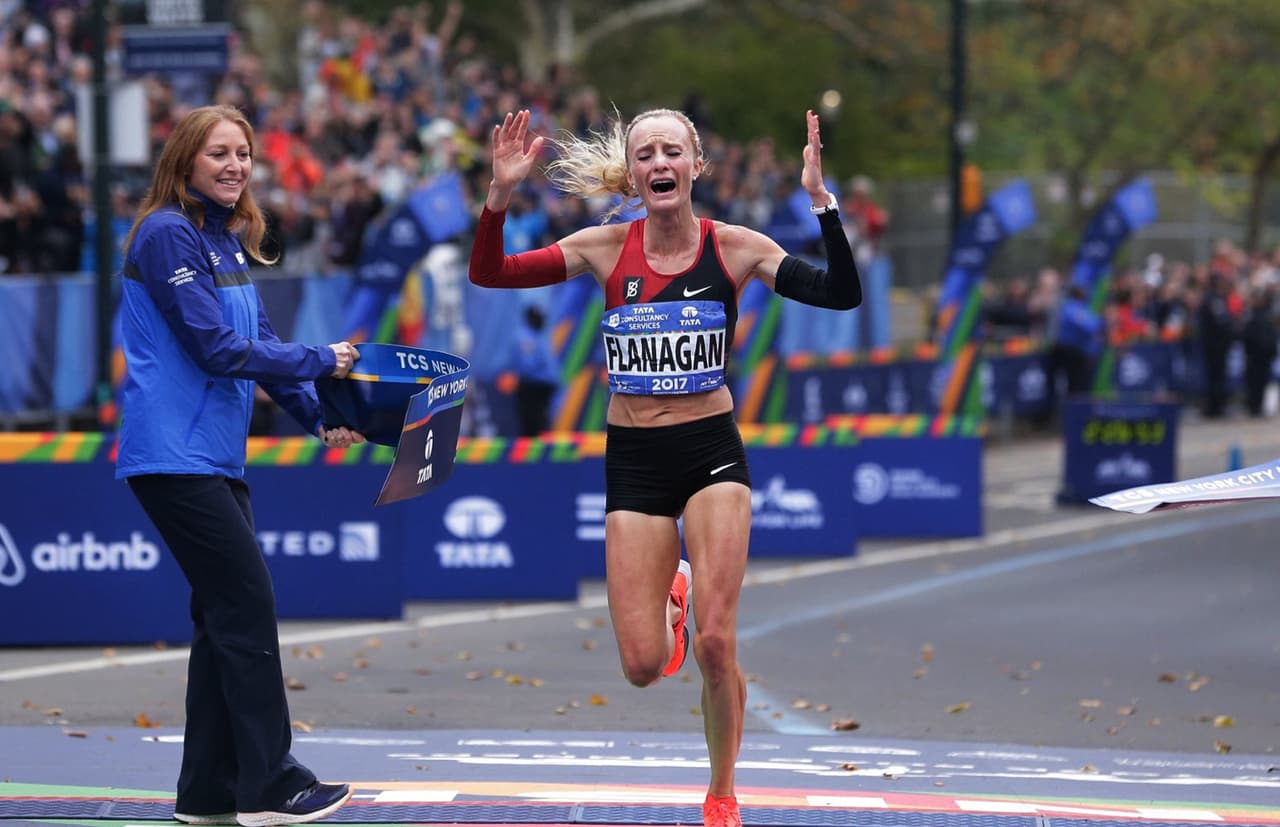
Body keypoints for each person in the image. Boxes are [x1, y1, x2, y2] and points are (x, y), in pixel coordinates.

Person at [469, 108, 859, 827]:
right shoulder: (604, 246)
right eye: (644, 152)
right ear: (634, 171)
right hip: (637, 461)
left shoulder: (737, 248)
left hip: (711, 449)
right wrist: (498, 198)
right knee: (643, 665)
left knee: (720, 639)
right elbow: (489, 273)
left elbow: (841, 292)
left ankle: (722, 792)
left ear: (694, 167)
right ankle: (672, 605)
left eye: (671, 151)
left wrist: (821, 204)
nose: (659, 161)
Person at [115, 104, 362, 827]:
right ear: (185, 160)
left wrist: (320, 413)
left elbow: (259, 341)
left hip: (214, 458)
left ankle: (208, 792)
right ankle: (272, 784)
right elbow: (218, 351)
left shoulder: (223, 240)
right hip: (172, 455)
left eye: (245, 154)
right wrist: (324, 360)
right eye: (219, 153)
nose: (234, 166)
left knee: (220, 618)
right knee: (246, 603)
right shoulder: (166, 234)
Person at [512, 304, 560, 436]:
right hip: (533, 388)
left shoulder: (540, 336)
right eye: (539, 318)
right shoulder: (525, 338)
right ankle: (530, 456)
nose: (542, 321)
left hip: (543, 389)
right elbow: (528, 366)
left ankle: (540, 455)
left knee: (542, 425)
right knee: (532, 426)